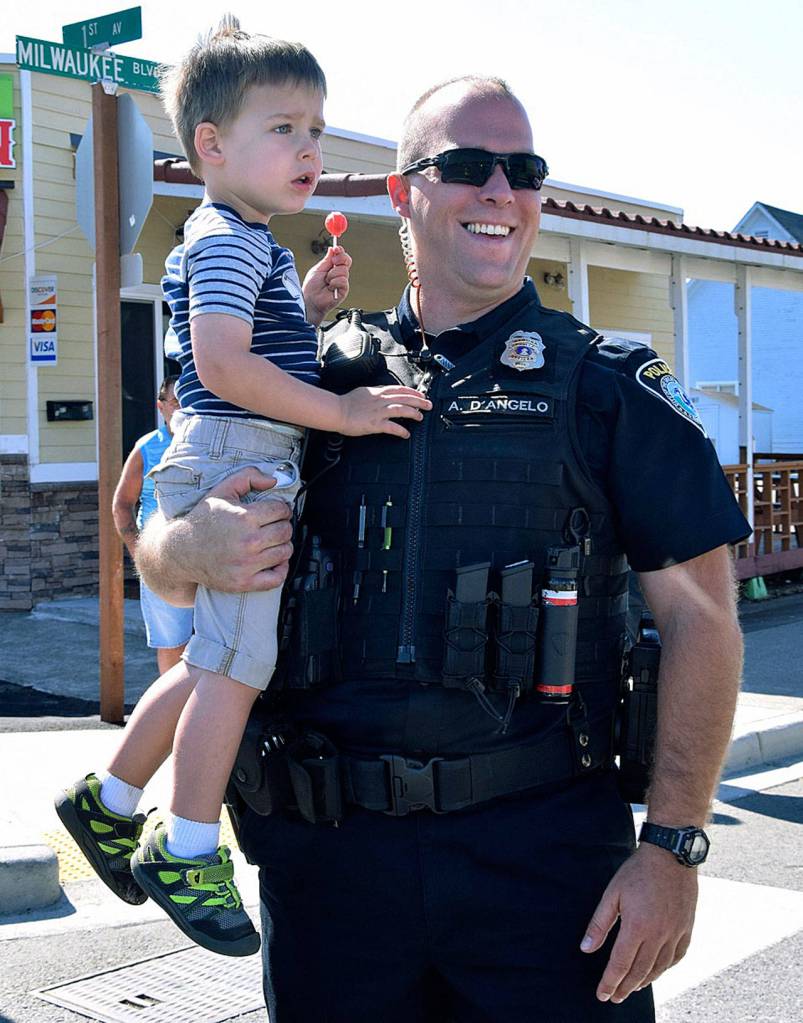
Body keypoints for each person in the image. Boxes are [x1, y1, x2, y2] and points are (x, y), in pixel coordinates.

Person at [135, 76, 751, 1020]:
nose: (499, 191)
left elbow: (703, 619)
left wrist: (673, 847)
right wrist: (185, 546)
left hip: (547, 874)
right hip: (331, 870)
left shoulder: (605, 384)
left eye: (523, 170)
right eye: (466, 167)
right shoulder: (309, 376)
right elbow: (157, 549)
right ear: (400, 194)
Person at [55, 17, 429, 959]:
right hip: (237, 454)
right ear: (213, 145)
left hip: (227, 447)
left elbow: (232, 342)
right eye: (284, 128)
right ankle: (183, 846)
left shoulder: (243, 239)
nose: (309, 147)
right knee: (234, 667)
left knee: (205, 664)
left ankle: (108, 802)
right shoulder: (225, 235)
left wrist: (302, 310)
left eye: (315, 128)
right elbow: (219, 364)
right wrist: (338, 413)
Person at [111, 374, 193, 674]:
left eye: (188, 400)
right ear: (161, 407)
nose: (182, 408)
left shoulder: (208, 444)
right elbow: (121, 505)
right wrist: (140, 554)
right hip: (162, 564)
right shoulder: (147, 447)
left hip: (206, 560)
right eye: (175, 402)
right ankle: (170, 720)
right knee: (173, 645)